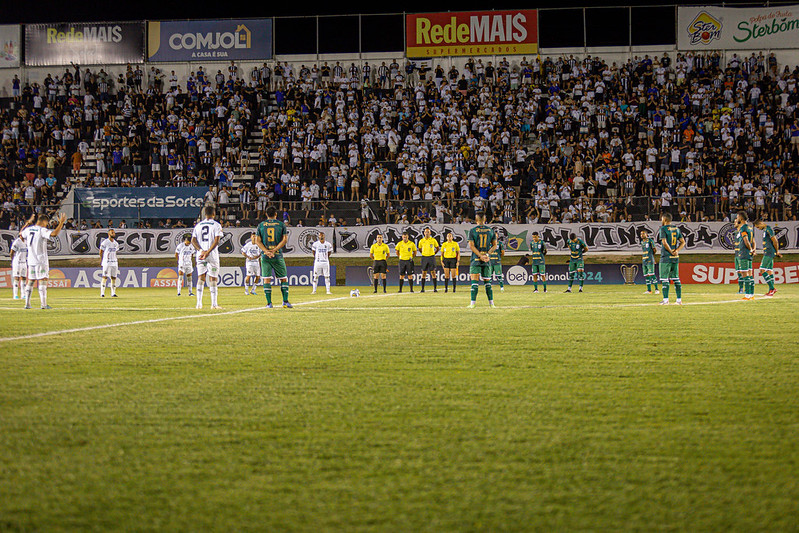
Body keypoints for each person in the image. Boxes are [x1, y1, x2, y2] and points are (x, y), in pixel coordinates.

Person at [21, 212, 67, 309]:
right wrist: (61, 223)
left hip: (30, 260)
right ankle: (44, 304)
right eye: (47, 223)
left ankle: (27, 304)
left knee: (31, 281)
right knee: (43, 280)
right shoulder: (42, 230)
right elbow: (54, 234)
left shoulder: (28, 229)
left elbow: (21, 235)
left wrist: (28, 222)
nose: (47, 225)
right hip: (40, 260)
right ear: (44, 222)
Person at [255, 205, 292, 308]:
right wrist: (274, 250)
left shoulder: (261, 225)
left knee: (266, 279)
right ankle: (285, 301)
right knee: (283, 278)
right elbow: (284, 240)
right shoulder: (281, 225)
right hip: (277, 255)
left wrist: (266, 251)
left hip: (265, 257)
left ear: (266, 214)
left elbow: (258, 241)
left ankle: (269, 303)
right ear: (276, 214)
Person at [191, 205, 224, 310]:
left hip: (200, 255)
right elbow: (217, 240)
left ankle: (198, 304)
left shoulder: (198, 225)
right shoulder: (216, 225)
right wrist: (208, 252)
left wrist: (201, 251)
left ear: (205, 214)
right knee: (213, 278)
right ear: (214, 214)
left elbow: (193, 240)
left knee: (201, 277)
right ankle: (214, 304)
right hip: (212, 255)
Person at [467, 211, 497, 308]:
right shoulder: (490, 230)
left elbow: (471, 246)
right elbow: (495, 245)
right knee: (487, 282)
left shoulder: (472, 231)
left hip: (476, 258)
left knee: (474, 282)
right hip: (487, 258)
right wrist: (487, 254)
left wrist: (480, 256)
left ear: (476, 220)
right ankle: (491, 303)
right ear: (485, 219)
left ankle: (472, 304)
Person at [658, 211, 685, 305]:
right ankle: (679, 300)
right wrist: (676, 250)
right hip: (675, 258)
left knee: (665, 279)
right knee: (676, 278)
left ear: (664, 219)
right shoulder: (677, 229)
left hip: (666, 257)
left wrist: (670, 252)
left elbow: (664, 243)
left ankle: (665, 300)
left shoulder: (663, 229)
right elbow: (683, 242)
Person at [753, 218, 782, 297]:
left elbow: (775, 240)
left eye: (757, 227)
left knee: (762, 270)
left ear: (760, 223)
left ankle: (772, 288)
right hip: (768, 251)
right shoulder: (765, 230)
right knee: (769, 271)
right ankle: (770, 291)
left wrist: (777, 251)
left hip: (769, 252)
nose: (758, 229)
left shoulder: (768, 229)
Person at [734, 212, 755, 301]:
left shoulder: (743, 228)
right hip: (749, 254)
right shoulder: (749, 228)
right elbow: (753, 241)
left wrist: (750, 249)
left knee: (744, 274)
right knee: (750, 274)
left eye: (737, 217)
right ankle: (751, 294)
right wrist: (753, 250)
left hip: (744, 253)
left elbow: (746, 240)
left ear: (741, 218)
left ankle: (747, 295)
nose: (737, 218)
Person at [98, 228, 120, 298]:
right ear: (109, 234)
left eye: (114, 232)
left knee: (114, 278)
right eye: (112, 233)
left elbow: (115, 252)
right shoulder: (105, 242)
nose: (113, 234)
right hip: (107, 262)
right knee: (105, 277)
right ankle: (102, 293)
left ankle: (113, 293)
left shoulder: (116, 243)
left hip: (114, 262)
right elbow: (101, 252)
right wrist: (102, 260)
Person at [417, 227, 440, 292]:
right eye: (425, 232)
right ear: (424, 233)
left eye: (428, 232)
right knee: (424, 273)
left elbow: (437, 248)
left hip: (431, 257)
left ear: (430, 233)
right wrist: (424, 253)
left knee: (433, 272)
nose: (427, 233)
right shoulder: (421, 241)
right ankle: (422, 288)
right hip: (424, 257)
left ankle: (435, 288)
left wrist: (433, 253)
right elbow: (420, 249)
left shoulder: (433, 240)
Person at [640, 229, 659, 295]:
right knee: (646, 275)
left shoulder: (650, 241)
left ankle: (656, 289)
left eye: (643, 234)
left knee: (652, 274)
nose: (641, 235)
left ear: (646, 234)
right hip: (644, 260)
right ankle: (649, 290)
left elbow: (654, 249)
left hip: (650, 259)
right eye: (641, 234)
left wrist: (653, 258)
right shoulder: (642, 242)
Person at [9, 232, 27, 300]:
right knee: (17, 278)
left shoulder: (26, 242)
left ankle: (23, 294)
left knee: (24, 278)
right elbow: (11, 252)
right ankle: (15, 295)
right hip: (17, 262)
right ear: (20, 235)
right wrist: (13, 261)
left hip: (24, 261)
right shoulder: (17, 241)